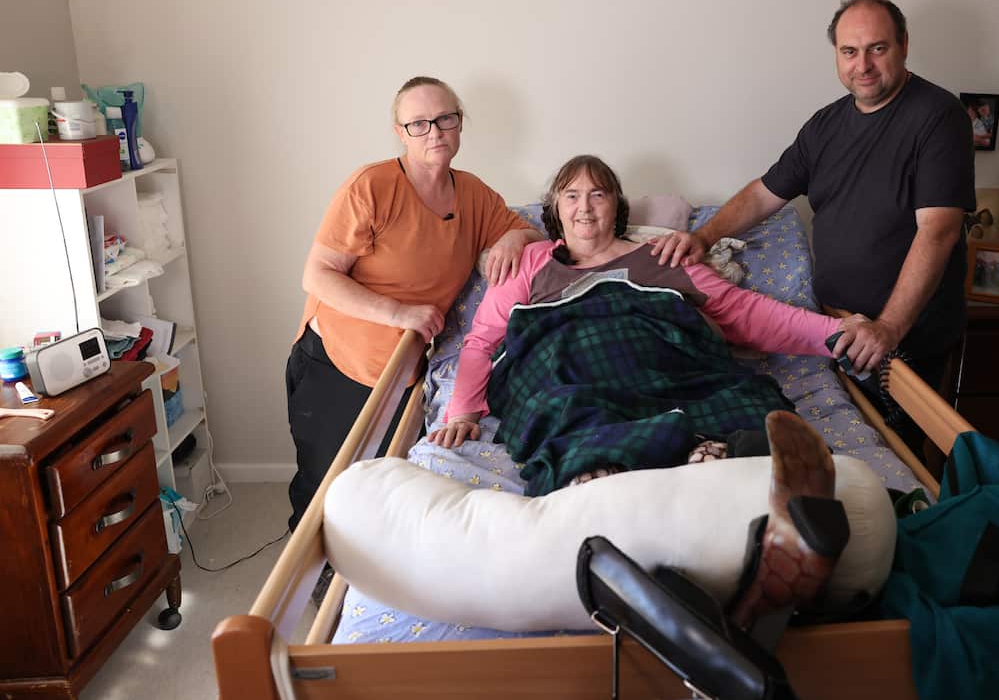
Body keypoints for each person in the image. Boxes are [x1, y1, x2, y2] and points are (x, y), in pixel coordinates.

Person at [427, 155, 867, 495]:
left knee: (740, 400)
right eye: (571, 195)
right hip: (569, 381)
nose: (584, 207)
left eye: (598, 194)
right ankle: (617, 472)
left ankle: (706, 459)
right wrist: (462, 410)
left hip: (667, 370)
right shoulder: (532, 261)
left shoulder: (662, 255)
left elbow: (745, 312)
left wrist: (833, 335)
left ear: (616, 205)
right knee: (564, 400)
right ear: (555, 210)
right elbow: (483, 341)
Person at [649, 0, 974, 397]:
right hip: (836, 328)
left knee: (906, 450)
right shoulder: (825, 126)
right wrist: (703, 236)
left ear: (904, 45)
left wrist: (889, 327)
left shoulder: (938, 117)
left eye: (877, 49)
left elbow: (938, 232)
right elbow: (764, 194)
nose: (863, 66)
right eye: (850, 52)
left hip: (904, 337)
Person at [287, 76, 540, 532]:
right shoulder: (372, 187)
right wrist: (400, 314)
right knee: (326, 485)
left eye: (446, 119)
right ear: (400, 132)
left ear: (460, 125)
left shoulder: (473, 193)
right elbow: (317, 274)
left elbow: (528, 230)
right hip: (336, 362)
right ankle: (317, 586)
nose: (435, 132)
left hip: (404, 369)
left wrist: (512, 239)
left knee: (379, 489)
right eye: (419, 124)